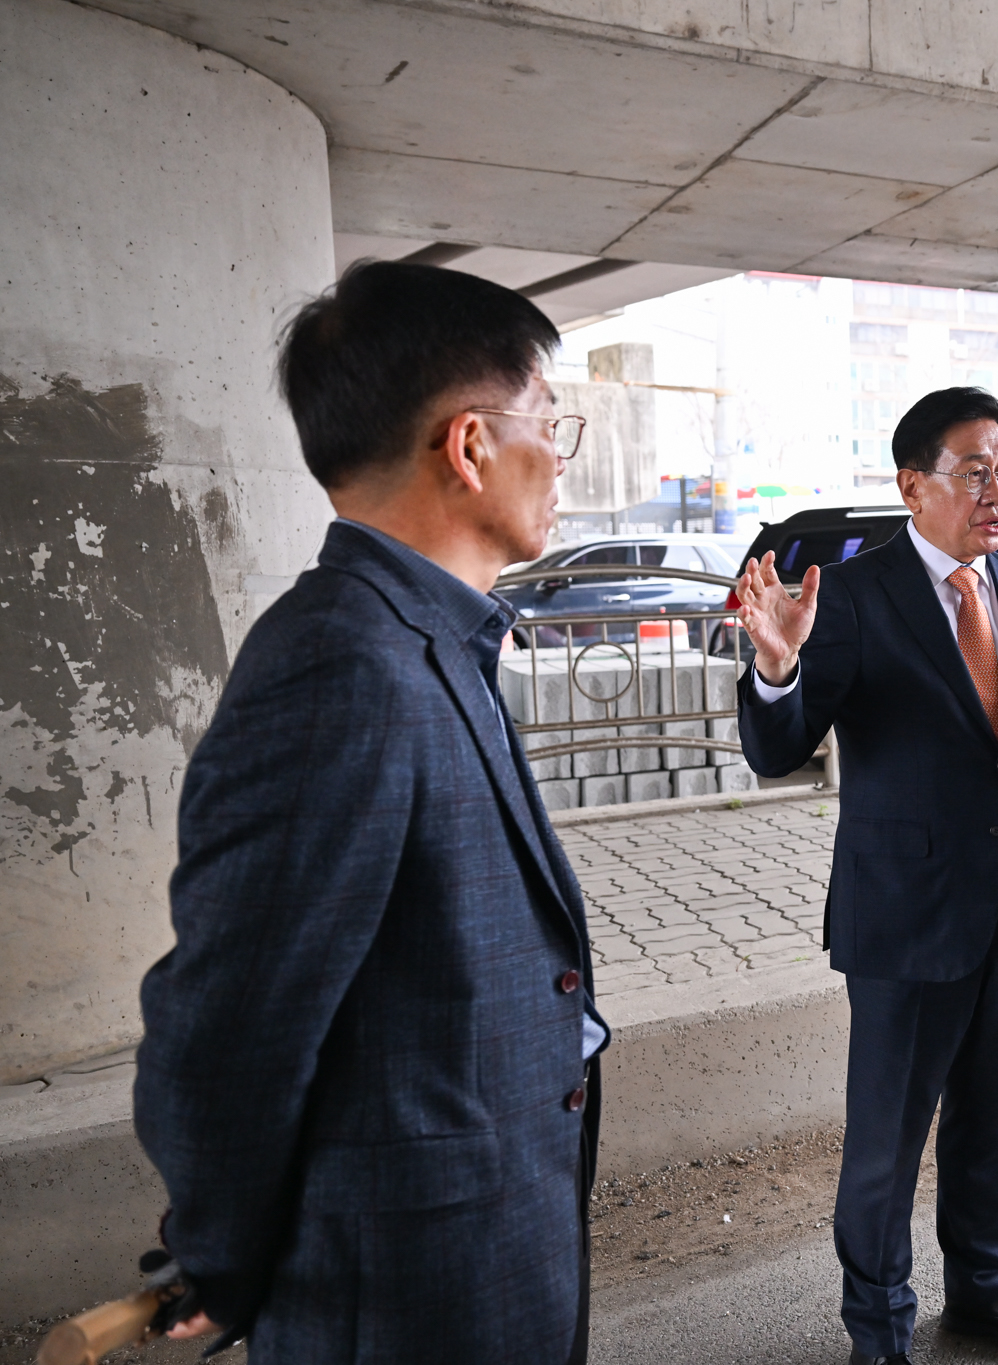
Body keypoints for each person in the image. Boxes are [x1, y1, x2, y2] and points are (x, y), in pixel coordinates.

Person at [133, 261, 609, 1362]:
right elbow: (228, 1020)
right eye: (549, 420)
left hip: (482, 1252)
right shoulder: (338, 665)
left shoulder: (428, 637)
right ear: (471, 444)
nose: (560, 457)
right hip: (401, 1295)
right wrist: (222, 1251)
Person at [736, 387, 998, 1365]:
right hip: (906, 917)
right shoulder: (856, 598)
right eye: (972, 472)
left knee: (987, 1128)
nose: (995, 492)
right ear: (913, 485)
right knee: (885, 1146)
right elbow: (776, 750)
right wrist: (777, 670)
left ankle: (983, 1290)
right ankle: (879, 1332)